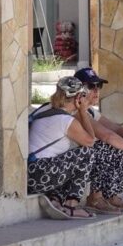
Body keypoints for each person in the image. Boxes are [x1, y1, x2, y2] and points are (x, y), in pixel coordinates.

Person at [74, 67, 123, 214]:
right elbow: (107, 135)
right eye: (91, 86)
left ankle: (111, 195)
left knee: (117, 144)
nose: (96, 90)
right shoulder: (76, 110)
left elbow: (115, 128)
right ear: (79, 90)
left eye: (98, 86)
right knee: (105, 145)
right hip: (66, 160)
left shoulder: (90, 111)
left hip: (78, 157)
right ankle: (95, 197)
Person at [27, 76, 96, 220]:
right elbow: (90, 141)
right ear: (78, 98)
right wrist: (83, 111)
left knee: (64, 157)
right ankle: (71, 205)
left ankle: (55, 199)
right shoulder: (66, 121)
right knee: (86, 153)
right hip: (41, 175)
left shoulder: (44, 110)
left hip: (28, 175)